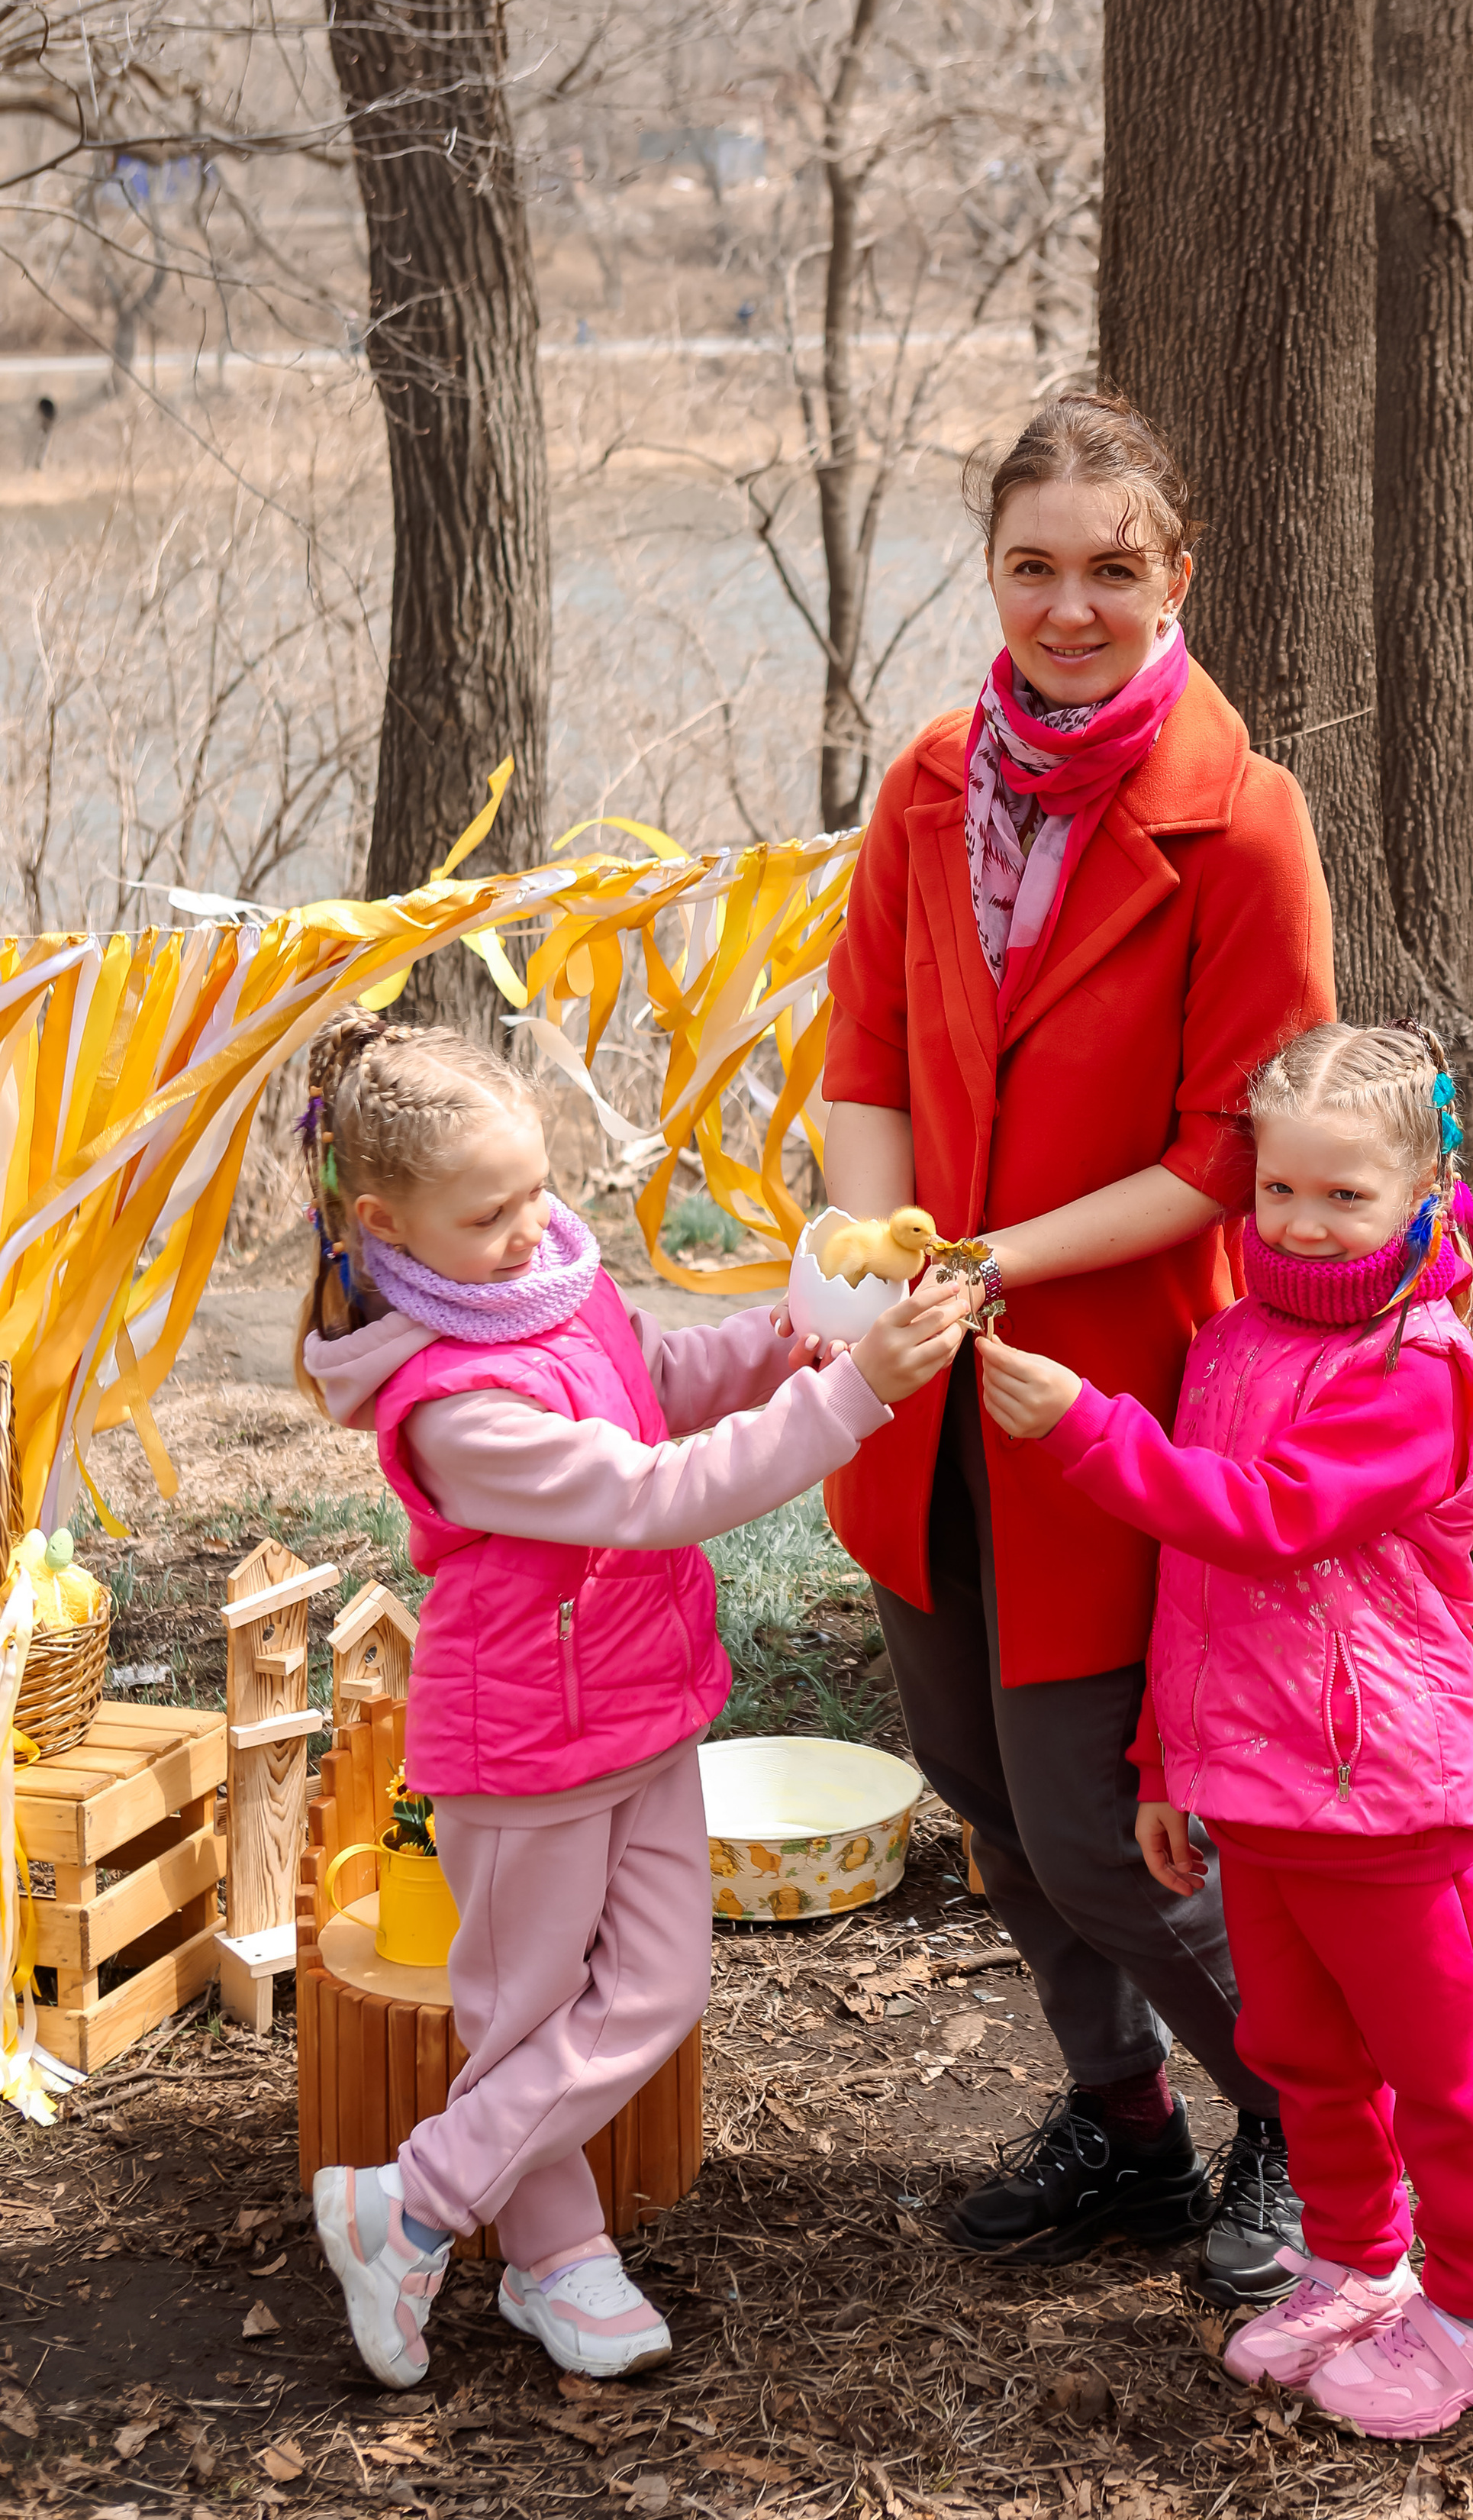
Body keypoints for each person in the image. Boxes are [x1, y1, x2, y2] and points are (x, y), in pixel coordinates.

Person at [820, 392, 1336, 2299]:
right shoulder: (928, 783)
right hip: (918, 1372)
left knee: (1099, 1825)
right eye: (1033, 568)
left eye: (1111, 570)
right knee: (973, 1782)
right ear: (991, 576)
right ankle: (1119, 2126)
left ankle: (1302, 2119)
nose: (1069, 607)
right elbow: (863, 1060)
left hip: (1111, 1387)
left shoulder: (1244, 820)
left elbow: (1233, 1150)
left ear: (1174, 576)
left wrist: (992, 1258)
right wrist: (876, 1252)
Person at [295, 1011, 965, 2389]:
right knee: (525, 2017)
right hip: (523, 1741)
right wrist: (852, 1408)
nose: (531, 1225)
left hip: (642, 1702)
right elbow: (649, 1493)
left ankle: (409, 2201)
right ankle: (539, 2250)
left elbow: (650, 1386)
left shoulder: (546, 1284)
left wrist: (797, 1339)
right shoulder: (447, 1404)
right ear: (384, 1224)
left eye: (540, 1188)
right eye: (490, 1213)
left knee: (653, 1989)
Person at [973, 1021, 1473, 2442]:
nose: (1302, 1217)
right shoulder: (1232, 1338)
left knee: (1450, 2075)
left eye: (1345, 1193)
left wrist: (1087, 1432)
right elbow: (1195, 1585)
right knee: (1304, 2054)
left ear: (1424, 1186)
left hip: (1390, 1792)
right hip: (1261, 1787)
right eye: (1280, 1188)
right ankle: (1357, 2268)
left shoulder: (1419, 1368)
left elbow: (1274, 1521)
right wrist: (1173, 1762)